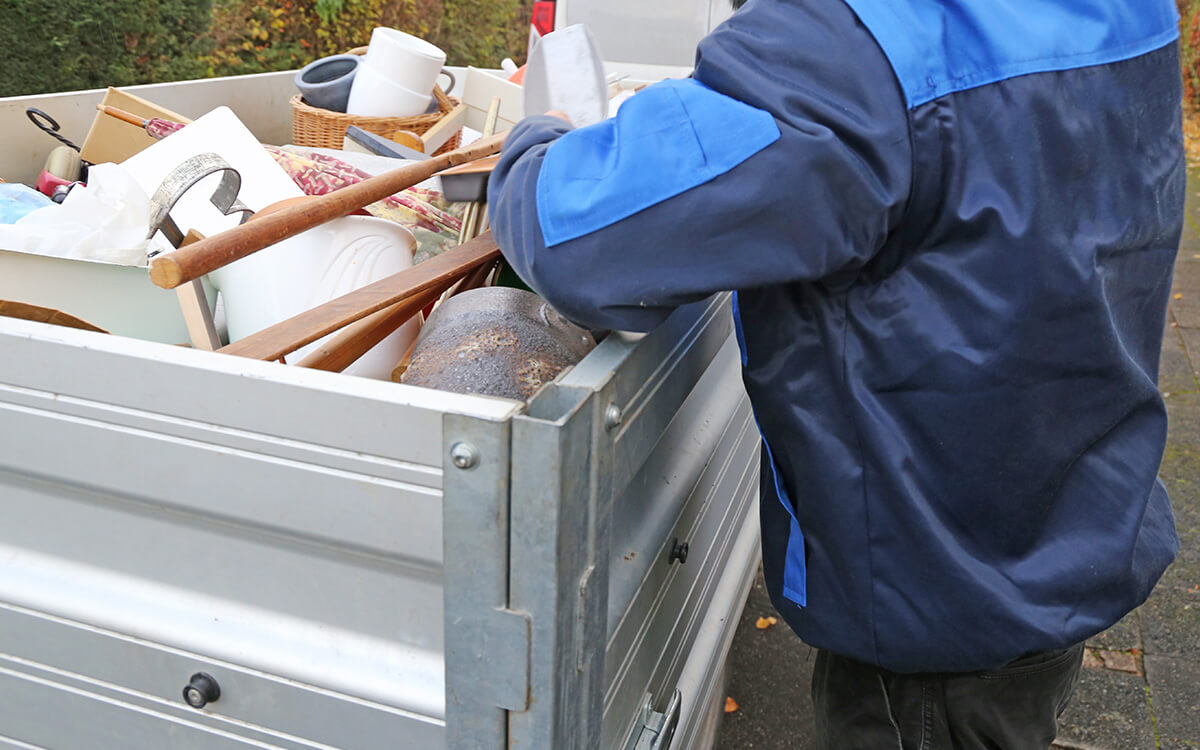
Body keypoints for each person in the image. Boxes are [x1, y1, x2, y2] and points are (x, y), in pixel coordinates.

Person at [487, 0, 1184, 746]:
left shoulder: (849, 41)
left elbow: (576, 236)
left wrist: (537, 138)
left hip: (936, 609)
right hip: (1056, 532)